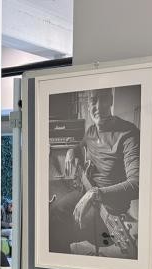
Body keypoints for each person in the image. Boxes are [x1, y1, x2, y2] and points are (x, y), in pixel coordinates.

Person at [50, 87, 140, 255]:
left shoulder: (129, 134)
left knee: (57, 231)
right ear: (88, 103)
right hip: (87, 191)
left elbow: (137, 184)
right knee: (53, 214)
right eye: (94, 100)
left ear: (111, 100)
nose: (99, 107)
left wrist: (95, 193)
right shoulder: (91, 131)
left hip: (109, 209)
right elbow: (80, 146)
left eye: (104, 99)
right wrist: (71, 151)